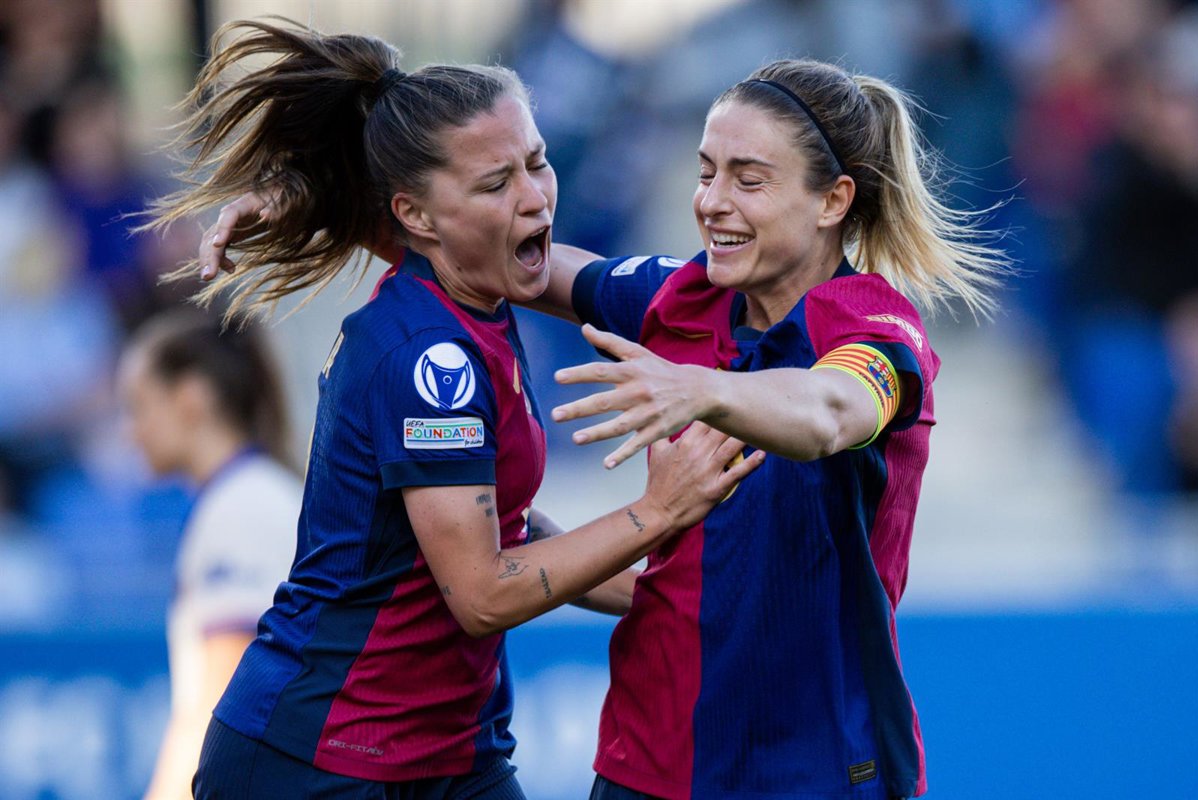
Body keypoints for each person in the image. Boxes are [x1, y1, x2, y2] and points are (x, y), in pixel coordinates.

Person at [200, 54, 1006, 800]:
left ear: (834, 200)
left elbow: (830, 413)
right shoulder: (679, 297)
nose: (712, 202)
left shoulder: (874, 330)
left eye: (749, 180)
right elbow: (489, 252)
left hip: (815, 768)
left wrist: (700, 391)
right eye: (705, 172)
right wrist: (328, 203)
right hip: (643, 766)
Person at [156, 19, 762, 799]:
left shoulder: (482, 294)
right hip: (324, 762)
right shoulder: (427, 357)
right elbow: (483, 593)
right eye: (495, 183)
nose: (534, 196)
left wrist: (684, 599)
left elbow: (505, 529)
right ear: (416, 216)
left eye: (537, 162)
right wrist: (658, 511)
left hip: (448, 754)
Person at [117, 310, 302, 800]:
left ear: (191, 397)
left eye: (138, 406)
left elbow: (220, 702)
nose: (130, 432)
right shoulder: (249, 494)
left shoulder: (242, 505)